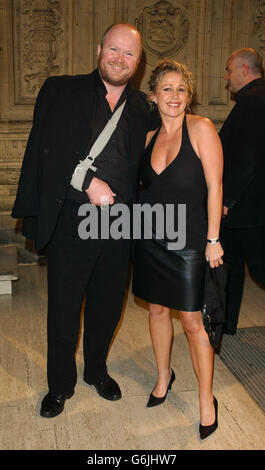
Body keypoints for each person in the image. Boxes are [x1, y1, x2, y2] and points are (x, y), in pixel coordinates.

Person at [12, 23, 156, 418]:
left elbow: (153, 161)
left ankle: (96, 370)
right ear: (99, 49)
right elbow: (47, 148)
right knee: (64, 306)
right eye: (114, 49)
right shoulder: (61, 90)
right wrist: (89, 180)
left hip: (121, 222)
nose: (120, 59)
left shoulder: (144, 107)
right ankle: (60, 384)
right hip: (74, 217)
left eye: (129, 54)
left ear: (139, 62)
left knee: (108, 305)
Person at [132, 60, 224, 439]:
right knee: (155, 310)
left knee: (191, 321)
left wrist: (213, 239)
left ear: (190, 96)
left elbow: (215, 187)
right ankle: (163, 375)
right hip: (151, 239)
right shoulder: (147, 137)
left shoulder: (201, 128)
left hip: (189, 242)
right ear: (153, 95)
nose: (174, 96)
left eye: (181, 89)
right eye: (167, 89)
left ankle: (206, 400)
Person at [220, 48, 265, 335]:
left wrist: (226, 200)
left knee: (257, 269)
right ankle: (225, 325)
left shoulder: (254, 101)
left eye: (229, 70)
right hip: (248, 209)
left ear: (245, 70)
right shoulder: (253, 99)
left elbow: (248, 159)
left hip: (248, 209)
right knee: (231, 268)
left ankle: (225, 324)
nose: (226, 78)